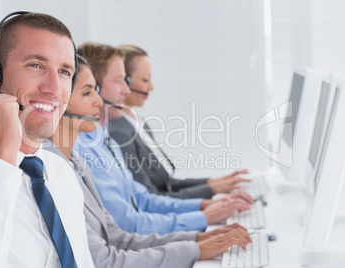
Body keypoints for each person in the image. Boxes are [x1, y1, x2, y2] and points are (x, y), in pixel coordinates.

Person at [45, 55, 252, 267]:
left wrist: (196, 240)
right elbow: (109, 252)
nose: (99, 100)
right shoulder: (57, 170)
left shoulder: (77, 162)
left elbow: (120, 232)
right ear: (59, 103)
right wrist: (196, 239)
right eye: (88, 92)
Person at [0, 12, 94, 267]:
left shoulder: (61, 172)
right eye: (36, 65)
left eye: (64, 72)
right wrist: (2, 153)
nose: (54, 88)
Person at [74, 42, 253, 235]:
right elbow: (129, 223)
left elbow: (143, 199)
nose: (126, 90)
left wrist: (203, 205)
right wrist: (203, 216)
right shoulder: (95, 145)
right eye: (120, 80)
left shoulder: (104, 137)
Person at [108, 44, 252, 199]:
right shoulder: (119, 133)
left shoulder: (137, 121)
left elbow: (166, 183)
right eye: (145, 79)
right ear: (125, 82)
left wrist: (212, 183)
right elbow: (152, 196)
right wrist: (209, 193)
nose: (151, 87)